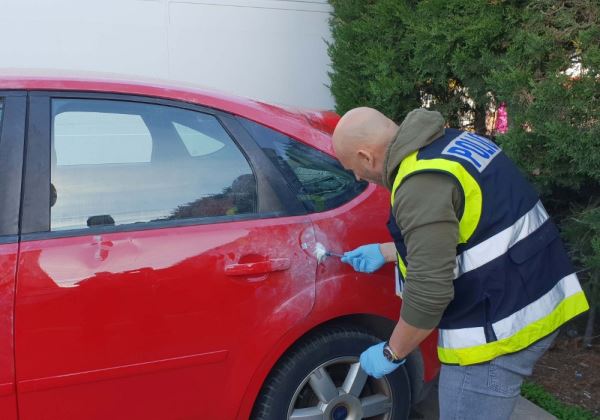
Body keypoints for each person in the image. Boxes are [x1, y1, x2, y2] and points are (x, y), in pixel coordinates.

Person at [332, 107, 589, 419]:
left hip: (498, 328)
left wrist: (392, 352)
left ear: (366, 156)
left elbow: (429, 295)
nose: (358, 177)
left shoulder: (419, 184)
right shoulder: (450, 143)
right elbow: (471, 234)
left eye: (353, 169)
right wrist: (388, 252)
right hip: (535, 289)